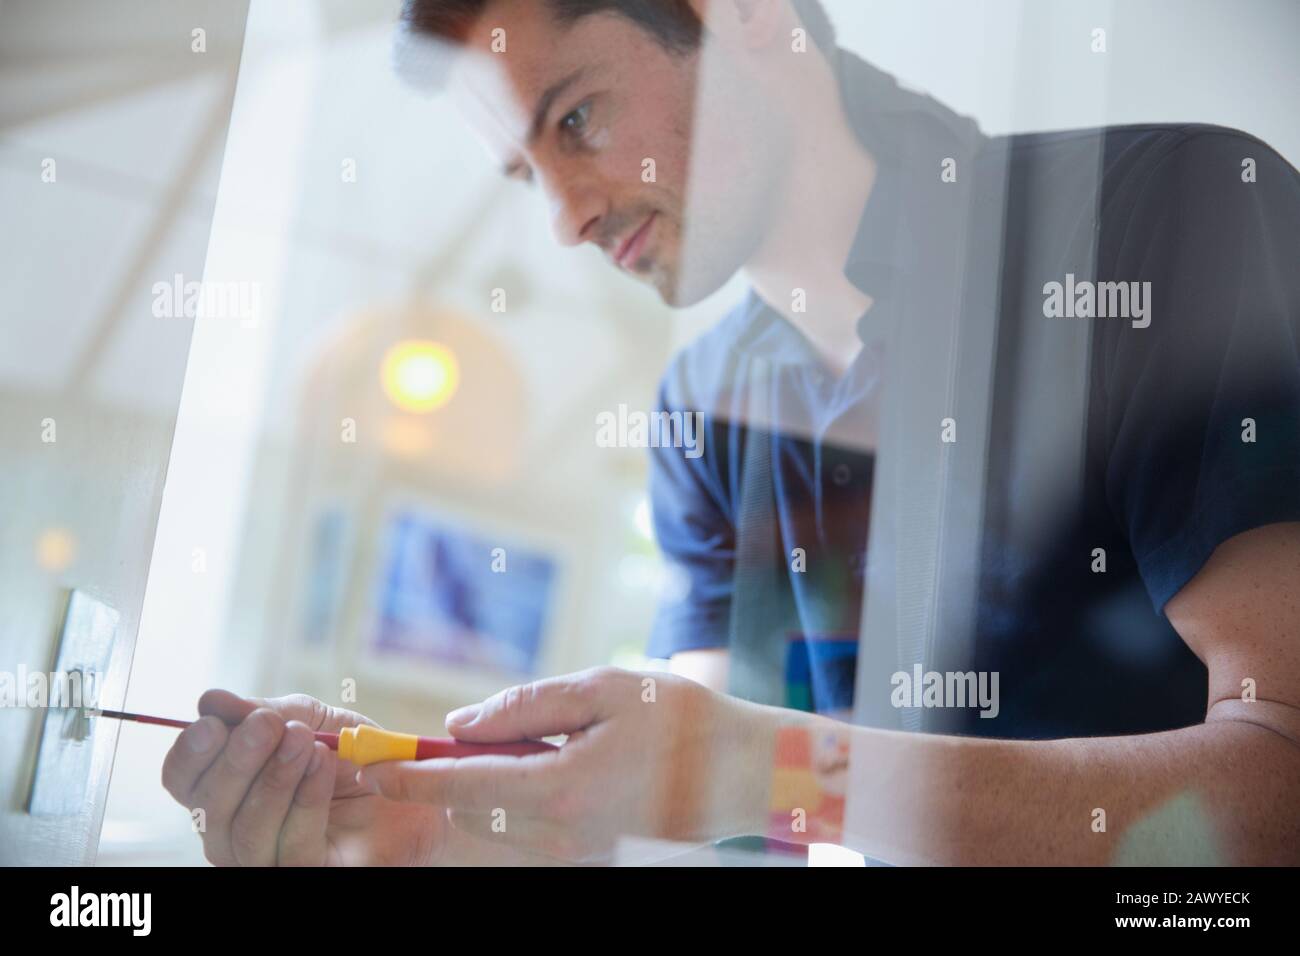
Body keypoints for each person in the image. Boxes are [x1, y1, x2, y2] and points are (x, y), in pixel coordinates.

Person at [163, 0, 1300, 865]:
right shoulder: (701, 412)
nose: (563, 217)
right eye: (526, 173)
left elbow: (1281, 780)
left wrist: (774, 767)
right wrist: (412, 819)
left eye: (576, 118)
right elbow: (717, 823)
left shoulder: (1168, 209)